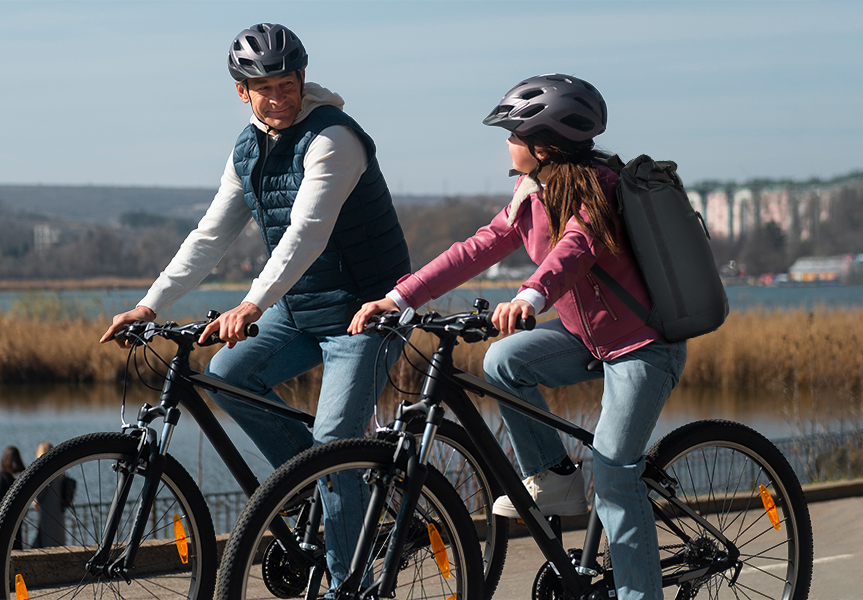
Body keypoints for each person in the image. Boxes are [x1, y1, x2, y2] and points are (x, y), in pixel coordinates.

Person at [349, 74, 687, 600]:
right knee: (504, 362)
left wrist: (531, 296)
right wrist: (401, 299)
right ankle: (553, 476)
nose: (506, 144)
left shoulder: (599, 186)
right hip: (587, 340)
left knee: (616, 473)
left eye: (512, 134)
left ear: (544, 143)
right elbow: (479, 247)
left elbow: (575, 248)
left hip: (643, 348)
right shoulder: (531, 191)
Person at [100, 23, 410, 587]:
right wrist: (150, 304)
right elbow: (210, 235)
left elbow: (306, 233)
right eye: (264, 87)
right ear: (241, 92)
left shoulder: (333, 139)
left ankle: (348, 584)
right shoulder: (247, 147)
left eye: (287, 84)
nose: (278, 96)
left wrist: (250, 303)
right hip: (300, 310)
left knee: (336, 444)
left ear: (301, 79)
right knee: (228, 374)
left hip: (365, 314)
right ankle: (323, 490)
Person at [30, 441, 76, 548]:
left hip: (46, 515)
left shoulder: (44, 477)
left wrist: (35, 502)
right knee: (57, 542)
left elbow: (39, 497)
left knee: (43, 544)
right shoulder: (60, 474)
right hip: (58, 516)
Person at [0, 446, 26, 550]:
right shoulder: (22, 476)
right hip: (17, 516)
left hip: (2, 517)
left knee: (0, 547)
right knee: (16, 544)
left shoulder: (3, 476)